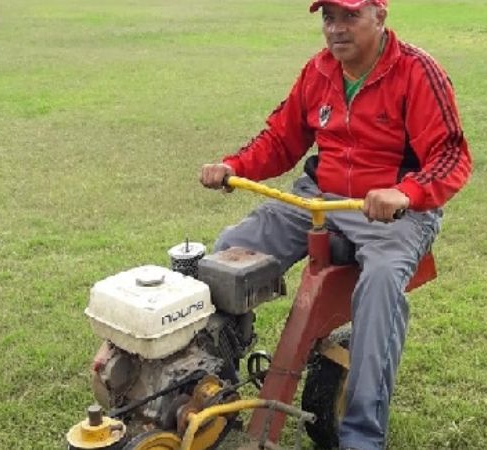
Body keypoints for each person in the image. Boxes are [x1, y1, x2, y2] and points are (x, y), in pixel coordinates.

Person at [200, 0, 471, 448]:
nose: (336, 29)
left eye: (350, 17)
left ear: (380, 17)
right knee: (232, 247)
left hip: (390, 211)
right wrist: (234, 165)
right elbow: (281, 139)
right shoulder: (319, 71)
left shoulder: (417, 72)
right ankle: (212, 385)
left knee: (381, 285)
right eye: (329, 18)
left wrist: (406, 193)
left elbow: (451, 155)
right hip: (319, 198)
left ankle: (362, 436)